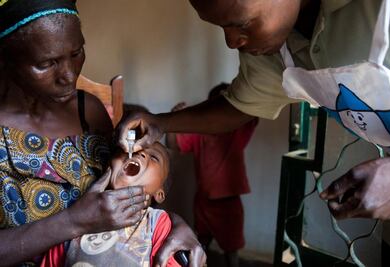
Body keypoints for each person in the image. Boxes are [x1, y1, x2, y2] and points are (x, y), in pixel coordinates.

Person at [117, 0, 390, 263]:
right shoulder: (272, 50)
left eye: (242, 23)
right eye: (221, 27)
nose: (231, 42)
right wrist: (162, 122)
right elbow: (238, 105)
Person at [0, 1, 205, 266]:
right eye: (47, 63)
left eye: (76, 52)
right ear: (4, 60)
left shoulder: (89, 111)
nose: (70, 75)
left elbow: (127, 190)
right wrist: (73, 222)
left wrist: (174, 225)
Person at [42, 142, 180, 267]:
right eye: (130, 148)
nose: (139, 152)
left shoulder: (157, 224)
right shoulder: (78, 222)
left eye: (154, 157)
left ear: (159, 193)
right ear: (109, 166)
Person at [166, 83, 258, 267]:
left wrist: (245, 96)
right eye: (215, 108)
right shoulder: (200, 134)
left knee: (231, 248)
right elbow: (173, 144)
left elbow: (252, 113)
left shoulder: (236, 133)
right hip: (203, 200)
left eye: (225, 108)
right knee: (201, 243)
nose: (220, 116)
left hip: (228, 201)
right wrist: (172, 121)